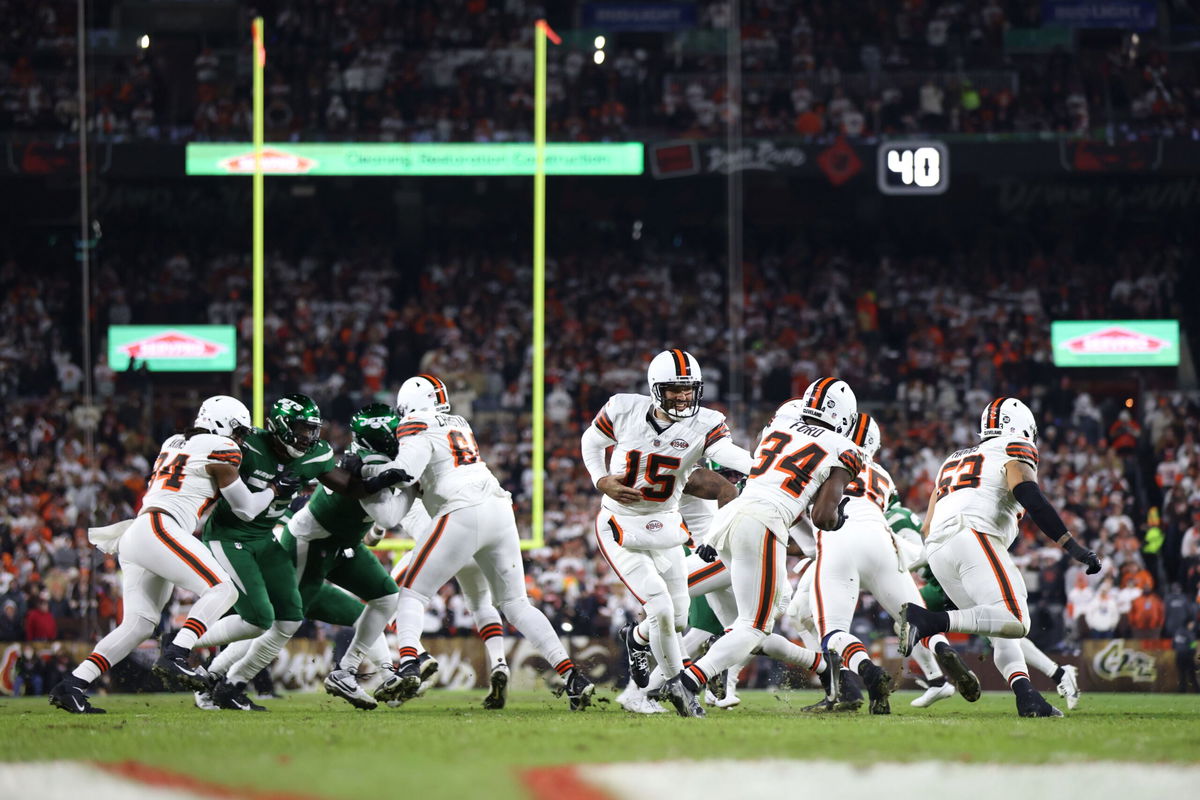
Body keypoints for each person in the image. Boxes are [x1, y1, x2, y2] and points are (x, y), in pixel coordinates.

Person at [365, 374, 595, 710]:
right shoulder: (458, 421)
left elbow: (405, 473)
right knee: (516, 605)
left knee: (410, 594)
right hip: (499, 507)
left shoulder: (414, 423)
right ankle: (572, 675)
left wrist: (368, 481)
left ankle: (410, 663)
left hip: (462, 511)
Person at [49, 396, 273, 714]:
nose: (240, 440)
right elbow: (247, 509)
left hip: (139, 531)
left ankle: (72, 684)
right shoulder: (223, 449)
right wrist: (274, 490)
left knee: (139, 624)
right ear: (223, 425)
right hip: (161, 528)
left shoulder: (174, 441)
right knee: (223, 588)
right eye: (239, 431)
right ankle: (177, 653)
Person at [190, 394, 406, 712]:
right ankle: (216, 674)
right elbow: (215, 477)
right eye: (302, 429)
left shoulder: (321, 456)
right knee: (275, 622)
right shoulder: (249, 446)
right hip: (290, 545)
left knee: (380, 601)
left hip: (316, 549)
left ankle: (372, 672)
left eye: (311, 430)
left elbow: (352, 488)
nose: (308, 437)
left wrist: (377, 482)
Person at [662, 378, 863, 717]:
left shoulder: (779, 428)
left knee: (742, 622)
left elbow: (766, 465)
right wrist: (837, 517)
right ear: (844, 416)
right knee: (754, 626)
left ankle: (691, 671)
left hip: (729, 514)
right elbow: (823, 516)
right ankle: (688, 680)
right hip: (764, 520)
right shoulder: (844, 448)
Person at [899, 397, 1102, 718]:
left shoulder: (952, 459)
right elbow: (1029, 495)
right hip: (973, 535)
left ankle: (1027, 698)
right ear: (1022, 428)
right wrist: (1072, 546)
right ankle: (928, 621)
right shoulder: (1015, 446)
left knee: (998, 629)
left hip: (938, 547)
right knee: (1017, 620)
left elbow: (927, 525)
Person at [580, 350, 753, 712]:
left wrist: (761, 467)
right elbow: (591, 441)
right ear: (656, 388)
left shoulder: (705, 423)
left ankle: (636, 638)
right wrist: (601, 480)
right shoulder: (623, 409)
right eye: (674, 389)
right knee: (657, 605)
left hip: (667, 523)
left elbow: (727, 452)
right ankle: (678, 689)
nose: (683, 396)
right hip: (621, 523)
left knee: (676, 618)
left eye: (689, 389)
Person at [796, 413, 975, 714]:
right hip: (882, 539)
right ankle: (943, 650)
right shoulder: (882, 474)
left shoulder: (823, 452)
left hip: (838, 540)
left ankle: (868, 671)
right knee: (915, 617)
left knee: (833, 631)